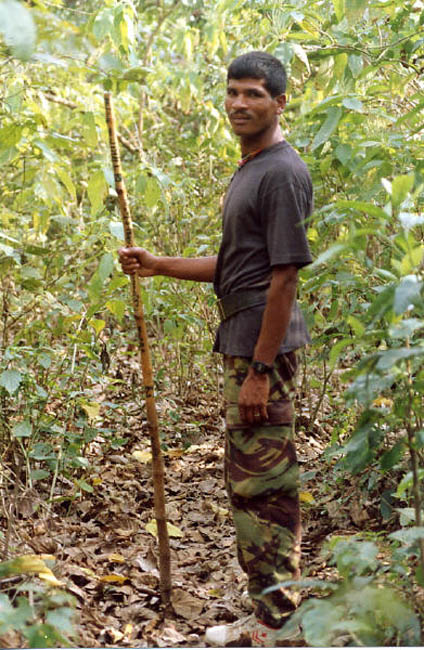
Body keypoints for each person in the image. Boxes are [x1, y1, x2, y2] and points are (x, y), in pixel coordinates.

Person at [119, 51, 313, 647]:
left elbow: (283, 279)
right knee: (248, 483)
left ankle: (277, 625)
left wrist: (259, 370)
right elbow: (237, 267)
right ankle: (269, 616)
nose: (238, 104)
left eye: (253, 94)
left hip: (263, 351)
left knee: (265, 486)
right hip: (244, 342)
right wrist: (159, 266)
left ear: (280, 103)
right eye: (232, 93)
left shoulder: (280, 171)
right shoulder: (251, 166)